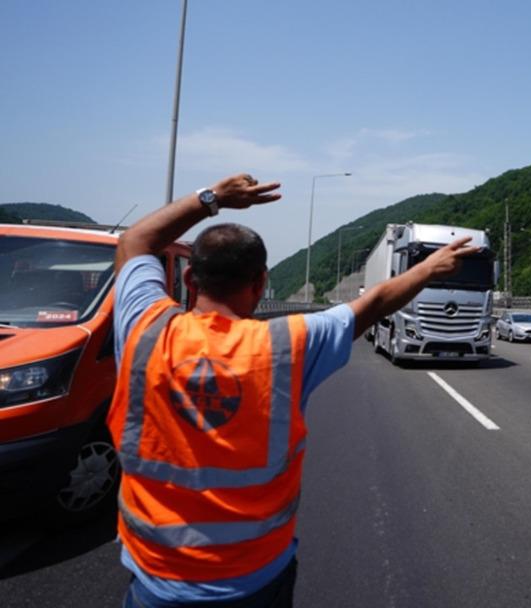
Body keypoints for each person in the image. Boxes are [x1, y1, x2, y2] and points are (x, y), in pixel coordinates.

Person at [107, 173, 480, 607]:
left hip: (156, 580)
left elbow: (134, 241)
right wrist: (430, 268)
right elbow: (373, 303)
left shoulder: (143, 329)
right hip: (255, 580)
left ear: (190, 280)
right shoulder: (288, 345)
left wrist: (214, 199)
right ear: (261, 283)